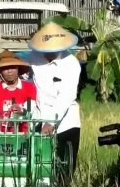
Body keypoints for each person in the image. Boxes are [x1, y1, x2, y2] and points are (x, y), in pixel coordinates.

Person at [28, 22, 81, 177]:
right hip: (38, 119)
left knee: (63, 168)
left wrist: (51, 122)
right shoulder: (33, 59)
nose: (48, 54)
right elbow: (21, 73)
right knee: (38, 164)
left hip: (66, 122)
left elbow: (67, 95)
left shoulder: (71, 64)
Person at [0, 50, 37, 133]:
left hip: (25, 135)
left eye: (13, 67)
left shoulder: (30, 88)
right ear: (0, 72)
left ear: (18, 69)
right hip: (1, 136)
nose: (9, 71)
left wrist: (22, 111)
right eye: (5, 68)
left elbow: (35, 111)